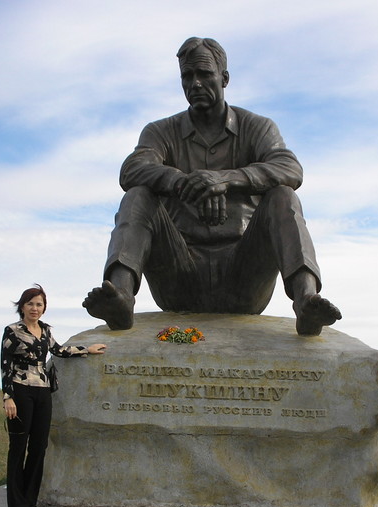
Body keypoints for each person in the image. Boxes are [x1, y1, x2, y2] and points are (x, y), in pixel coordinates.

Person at [83, 37, 341, 336]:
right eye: (187, 76)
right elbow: (132, 169)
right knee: (137, 195)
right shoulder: (160, 131)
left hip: (243, 280)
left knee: (283, 195)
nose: (195, 83)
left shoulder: (257, 127)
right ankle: (121, 298)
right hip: (179, 278)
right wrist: (181, 182)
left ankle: (306, 301)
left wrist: (225, 180)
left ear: (224, 78)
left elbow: (290, 168)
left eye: (205, 74)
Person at [1, 284, 106, 507]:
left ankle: (30, 500)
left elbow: (59, 350)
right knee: (18, 447)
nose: (35, 308)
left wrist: (86, 349)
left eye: (39, 304)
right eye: (30, 304)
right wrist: (8, 397)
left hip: (43, 392)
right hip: (20, 392)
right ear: (22, 306)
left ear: (44, 307)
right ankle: (16, 503)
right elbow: (5, 365)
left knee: (39, 447)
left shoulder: (46, 331)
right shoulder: (12, 331)